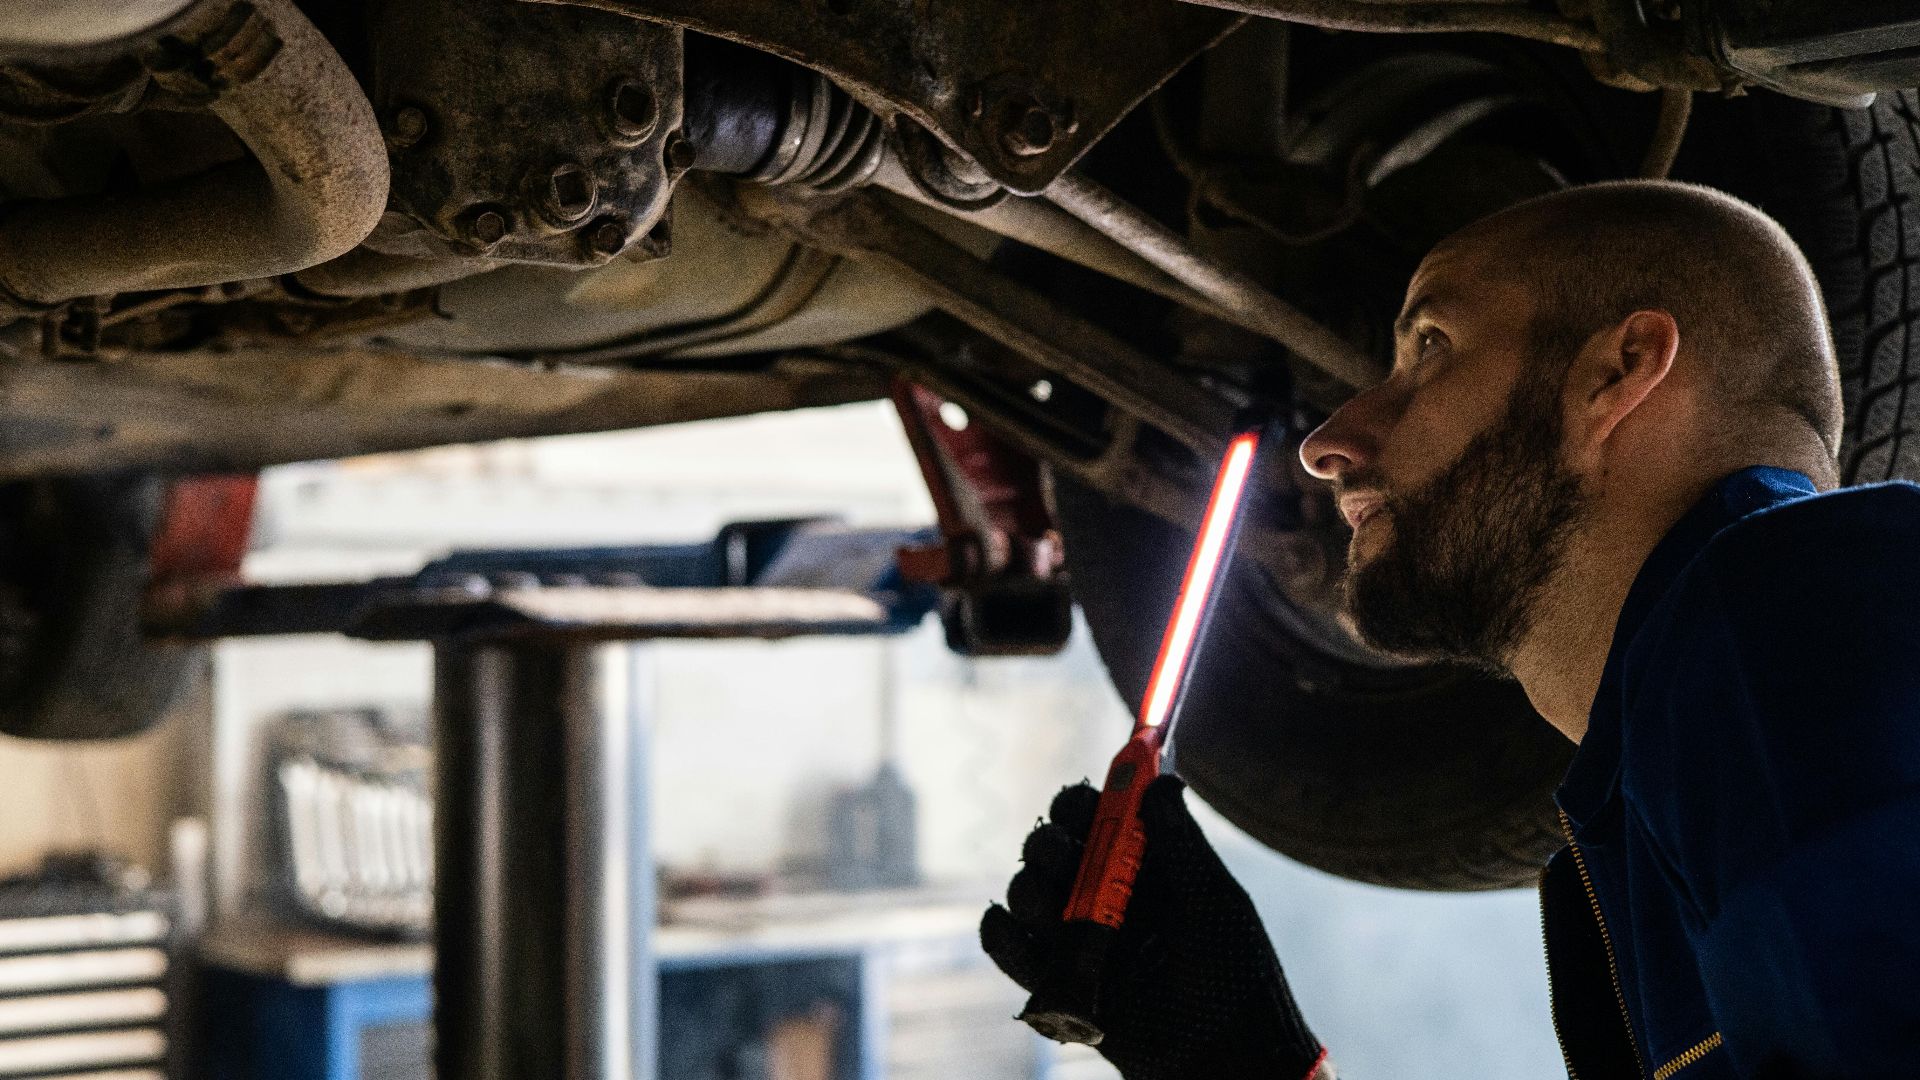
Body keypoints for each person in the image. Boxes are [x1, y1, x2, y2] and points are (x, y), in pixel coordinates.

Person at [982, 179, 1920, 1079]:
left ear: (1619, 371)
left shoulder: (1803, 607)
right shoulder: (1647, 804)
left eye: (1429, 346)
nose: (1326, 442)